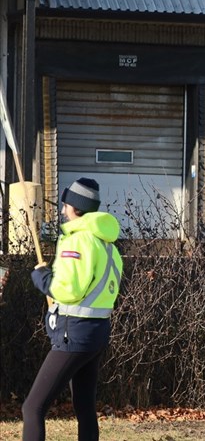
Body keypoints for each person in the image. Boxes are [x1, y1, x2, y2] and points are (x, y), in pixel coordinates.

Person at [23, 178, 124, 441]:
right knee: (84, 406)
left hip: (74, 334)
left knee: (32, 407)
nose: (62, 209)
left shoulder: (78, 241)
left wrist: (43, 279)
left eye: (65, 204)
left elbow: (70, 290)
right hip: (97, 333)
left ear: (75, 208)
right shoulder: (108, 245)